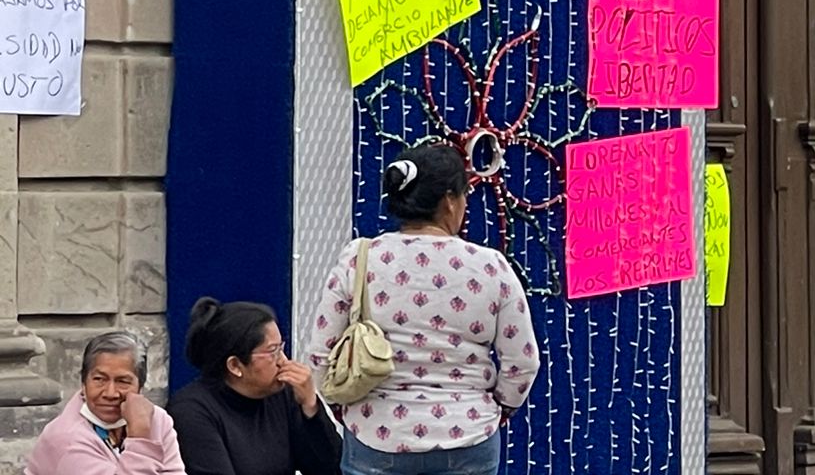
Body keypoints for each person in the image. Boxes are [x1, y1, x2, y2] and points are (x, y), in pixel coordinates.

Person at [312, 143, 539, 475]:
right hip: (469, 435)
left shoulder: (359, 259)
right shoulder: (491, 267)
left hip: (376, 433)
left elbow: (321, 355)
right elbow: (523, 362)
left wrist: (343, 407)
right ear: (449, 200)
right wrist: (498, 409)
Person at [167, 297, 341, 475]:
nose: (283, 361)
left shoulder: (283, 393)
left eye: (281, 348)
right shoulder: (191, 411)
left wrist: (310, 407)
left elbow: (329, 468)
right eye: (273, 351)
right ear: (235, 365)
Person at [25, 331, 184, 474]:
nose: (110, 393)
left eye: (123, 381)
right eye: (99, 379)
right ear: (83, 384)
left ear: (140, 387)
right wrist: (141, 437)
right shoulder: (66, 438)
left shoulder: (157, 420)